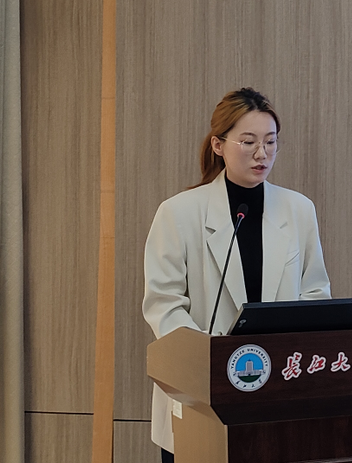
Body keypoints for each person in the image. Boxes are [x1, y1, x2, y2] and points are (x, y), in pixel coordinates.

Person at [142, 88, 331, 462]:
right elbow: (164, 304)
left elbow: (315, 295)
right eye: (248, 142)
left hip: (278, 390)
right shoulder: (178, 213)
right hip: (200, 396)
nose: (262, 154)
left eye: (270, 142)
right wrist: (209, 361)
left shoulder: (298, 210)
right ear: (218, 145)